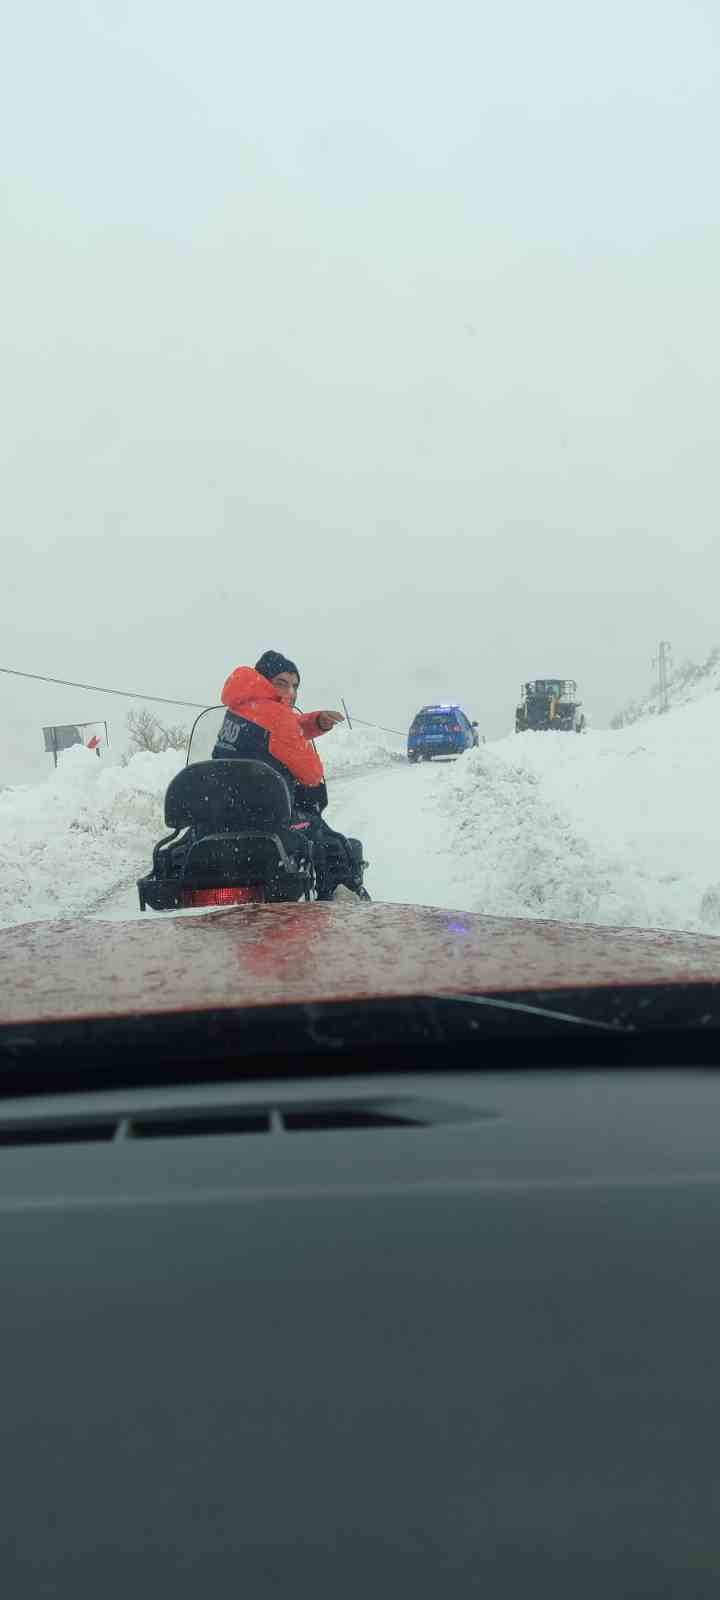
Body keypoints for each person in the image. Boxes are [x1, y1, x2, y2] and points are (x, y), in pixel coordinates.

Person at [212, 651, 368, 900]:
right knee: (331, 843)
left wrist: (315, 722)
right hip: (268, 818)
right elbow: (311, 775)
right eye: (281, 683)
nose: (291, 692)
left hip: (227, 815)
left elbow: (274, 730)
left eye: (294, 685)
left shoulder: (239, 706)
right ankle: (338, 902)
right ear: (262, 680)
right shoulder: (277, 717)